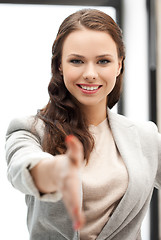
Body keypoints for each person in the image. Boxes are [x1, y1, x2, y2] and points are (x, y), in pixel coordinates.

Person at [5, 8, 161, 240]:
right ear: (59, 65)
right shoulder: (30, 129)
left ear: (119, 65)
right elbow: (21, 167)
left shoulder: (145, 136)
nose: (90, 73)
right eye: (77, 61)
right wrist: (52, 171)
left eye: (103, 61)